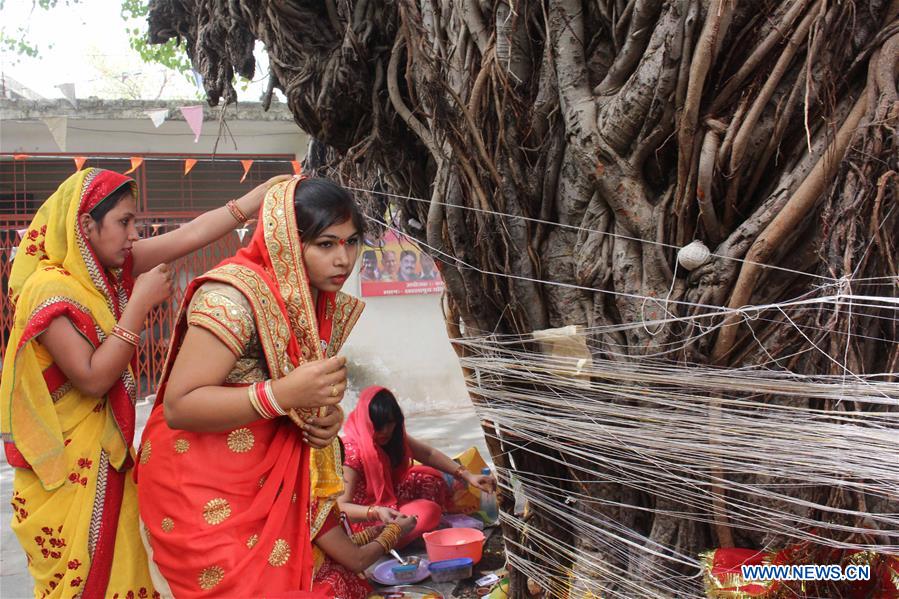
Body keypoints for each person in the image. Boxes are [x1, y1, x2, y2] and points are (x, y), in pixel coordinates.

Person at [0, 167, 289, 598]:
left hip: (109, 454)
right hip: (67, 470)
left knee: (127, 572)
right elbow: (92, 378)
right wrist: (138, 304)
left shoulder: (107, 268)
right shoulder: (50, 289)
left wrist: (255, 198)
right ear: (86, 225)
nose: (135, 234)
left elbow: (190, 235)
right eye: (124, 222)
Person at [135, 177, 416, 599]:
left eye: (352, 242)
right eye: (326, 244)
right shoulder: (232, 298)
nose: (343, 259)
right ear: (286, 240)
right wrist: (282, 395)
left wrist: (327, 419)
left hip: (271, 482)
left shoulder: (308, 299)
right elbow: (180, 405)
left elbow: (300, 391)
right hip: (201, 487)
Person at [339, 386, 497, 545]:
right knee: (429, 512)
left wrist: (468, 476)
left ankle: (399, 533)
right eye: (379, 426)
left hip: (388, 504)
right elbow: (340, 507)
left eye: (390, 423)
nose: (386, 431)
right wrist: (376, 512)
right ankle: (381, 543)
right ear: (367, 422)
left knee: (430, 480)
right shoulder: (351, 452)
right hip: (363, 520)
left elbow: (429, 454)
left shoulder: (393, 437)